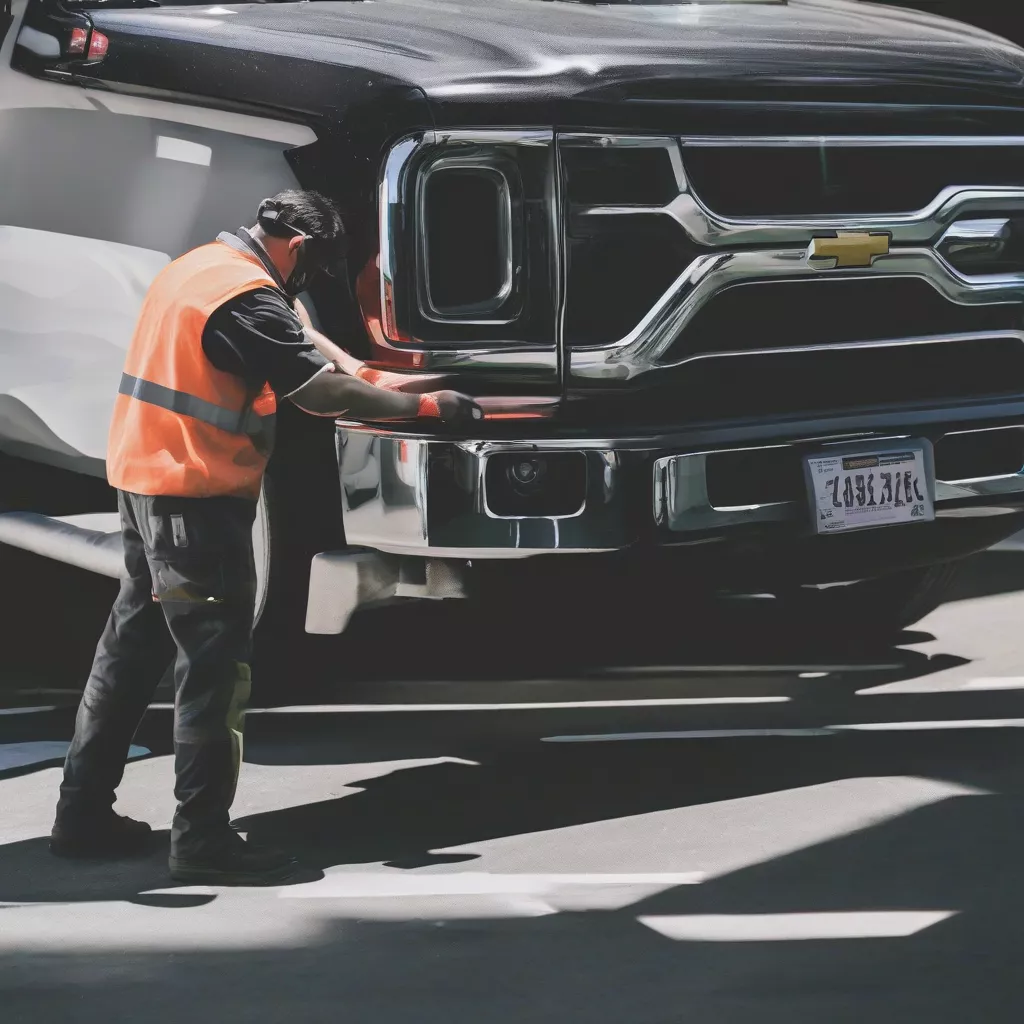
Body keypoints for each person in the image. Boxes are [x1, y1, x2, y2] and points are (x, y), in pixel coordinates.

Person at [50, 190, 480, 885]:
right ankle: (203, 843)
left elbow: (314, 345)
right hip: (195, 509)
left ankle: (81, 817)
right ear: (302, 249)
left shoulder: (205, 267)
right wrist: (426, 408)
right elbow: (319, 393)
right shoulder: (247, 301)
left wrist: (381, 378)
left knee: (129, 656)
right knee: (214, 670)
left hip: (144, 489)